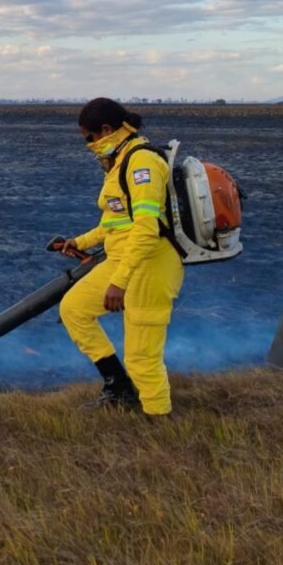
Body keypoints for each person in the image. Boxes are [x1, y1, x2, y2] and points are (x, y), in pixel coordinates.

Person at [57, 97, 184, 416]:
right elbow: (114, 222)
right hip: (122, 260)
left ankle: (160, 421)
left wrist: (119, 282)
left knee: (142, 358)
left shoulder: (142, 164)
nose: (89, 145)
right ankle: (119, 386)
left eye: (89, 138)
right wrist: (78, 241)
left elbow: (146, 228)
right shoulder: (119, 161)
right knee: (73, 309)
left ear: (106, 130)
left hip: (149, 265)